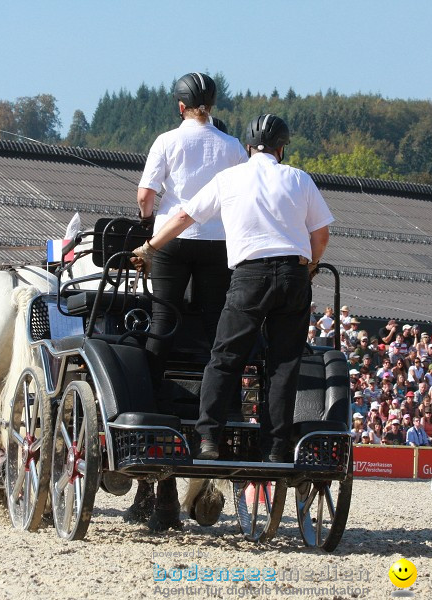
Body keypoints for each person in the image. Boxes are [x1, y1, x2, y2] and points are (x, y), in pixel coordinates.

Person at [133, 113, 333, 467]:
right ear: (281, 148)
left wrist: (149, 248)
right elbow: (321, 235)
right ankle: (274, 447)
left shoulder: (229, 178)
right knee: (284, 364)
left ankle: (209, 438)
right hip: (293, 275)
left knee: (224, 359)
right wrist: (312, 264)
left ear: (247, 146)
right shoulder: (299, 179)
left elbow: (182, 217)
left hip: (250, 276)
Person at [129, 72, 247, 531]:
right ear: (211, 104)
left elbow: (145, 197)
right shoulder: (234, 145)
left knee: (164, 317)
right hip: (218, 242)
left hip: (173, 240)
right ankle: (214, 395)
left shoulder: (166, 142)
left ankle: (153, 391)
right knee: (215, 321)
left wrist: (148, 225)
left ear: (180, 107)